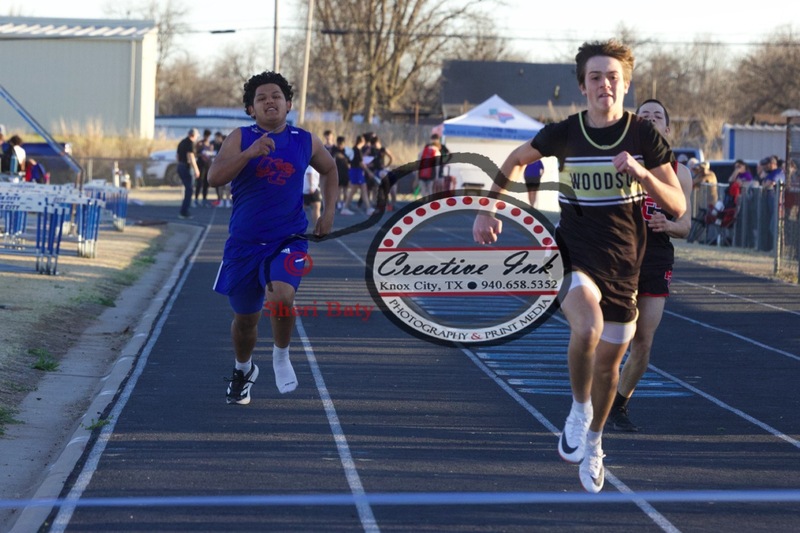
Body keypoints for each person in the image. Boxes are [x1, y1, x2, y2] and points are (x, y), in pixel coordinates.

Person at [472, 40, 685, 493]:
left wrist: (644, 175)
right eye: (595, 77)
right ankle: (577, 408)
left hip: (626, 265)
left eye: (613, 77)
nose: (604, 84)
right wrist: (488, 209)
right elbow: (514, 159)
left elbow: (679, 205)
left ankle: (594, 441)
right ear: (583, 85)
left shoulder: (643, 136)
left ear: (625, 85)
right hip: (573, 254)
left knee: (610, 368)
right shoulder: (565, 132)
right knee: (585, 328)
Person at [207, 71, 337, 405]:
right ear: (251, 108)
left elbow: (331, 170)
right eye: (262, 98)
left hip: (288, 238)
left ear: (288, 103)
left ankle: (281, 356)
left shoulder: (305, 140)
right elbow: (214, 178)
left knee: (282, 296)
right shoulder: (239, 137)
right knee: (246, 320)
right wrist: (249, 154)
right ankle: (244, 368)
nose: (270, 102)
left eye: (276, 96)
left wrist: (328, 212)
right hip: (245, 243)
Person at [606, 99, 693, 432]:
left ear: (667, 130)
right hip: (618, 256)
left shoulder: (680, 173)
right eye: (644, 116)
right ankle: (595, 395)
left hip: (656, 256)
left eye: (658, 116)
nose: (652, 119)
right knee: (614, 334)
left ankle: (619, 404)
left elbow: (685, 226)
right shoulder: (616, 163)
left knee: (643, 340)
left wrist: (667, 225)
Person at [340, 135, 374, 215]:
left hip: (355, 171)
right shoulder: (357, 150)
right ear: (362, 142)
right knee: (354, 190)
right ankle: (345, 208)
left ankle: (368, 208)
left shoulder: (354, 149)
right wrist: (369, 172)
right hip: (356, 171)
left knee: (362, 189)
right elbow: (361, 163)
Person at [176, 129, 200, 219]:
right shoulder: (190, 143)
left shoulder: (182, 142)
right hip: (185, 166)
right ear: (193, 135)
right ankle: (184, 211)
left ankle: (184, 210)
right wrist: (196, 169)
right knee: (189, 189)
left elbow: (177, 156)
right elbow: (191, 157)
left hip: (180, 166)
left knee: (188, 189)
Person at [367, 135, 396, 210]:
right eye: (373, 144)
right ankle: (377, 203)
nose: (375, 146)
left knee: (393, 185)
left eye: (376, 144)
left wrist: (387, 165)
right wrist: (369, 164)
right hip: (376, 171)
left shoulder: (383, 149)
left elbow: (391, 157)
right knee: (376, 187)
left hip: (383, 170)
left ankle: (392, 203)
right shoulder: (371, 149)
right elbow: (364, 158)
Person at [417, 133, 442, 198]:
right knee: (430, 190)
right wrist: (436, 176)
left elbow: (419, 159)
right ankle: (429, 205)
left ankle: (423, 203)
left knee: (423, 191)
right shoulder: (437, 151)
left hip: (422, 173)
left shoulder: (424, 150)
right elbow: (437, 166)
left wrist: (418, 172)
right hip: (431, 174)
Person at [194, 129, 214, 207]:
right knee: (199, 182)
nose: (207, 138)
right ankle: (196, 199)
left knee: (206, 183)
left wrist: (211, 154)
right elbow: (195, 154)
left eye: (208, 136)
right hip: (201, 165)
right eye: (206, 136)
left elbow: (212, 154)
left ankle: (204, 199)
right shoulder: (200, 143)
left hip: (208, 165)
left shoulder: (210, 145)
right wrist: (201, 154)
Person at [330, 135, 351, 211]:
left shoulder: (346, 150)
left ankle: (345, 203)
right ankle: (338, 203)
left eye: (342, 144)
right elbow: (333, 157)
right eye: (339, 144)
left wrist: (347, 161)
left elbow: (349, 161)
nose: (340, 146)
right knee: (338, 189)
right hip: (337, 172)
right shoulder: (334, 150)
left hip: (346, 172)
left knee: (345, 189)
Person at [303, 165, 322, 229]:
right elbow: (309, 174)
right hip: (312, 189)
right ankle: (318, 227)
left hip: (307, 189)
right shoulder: (312, 165)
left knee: (303, 208)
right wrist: (311, 186)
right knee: (316, 207)